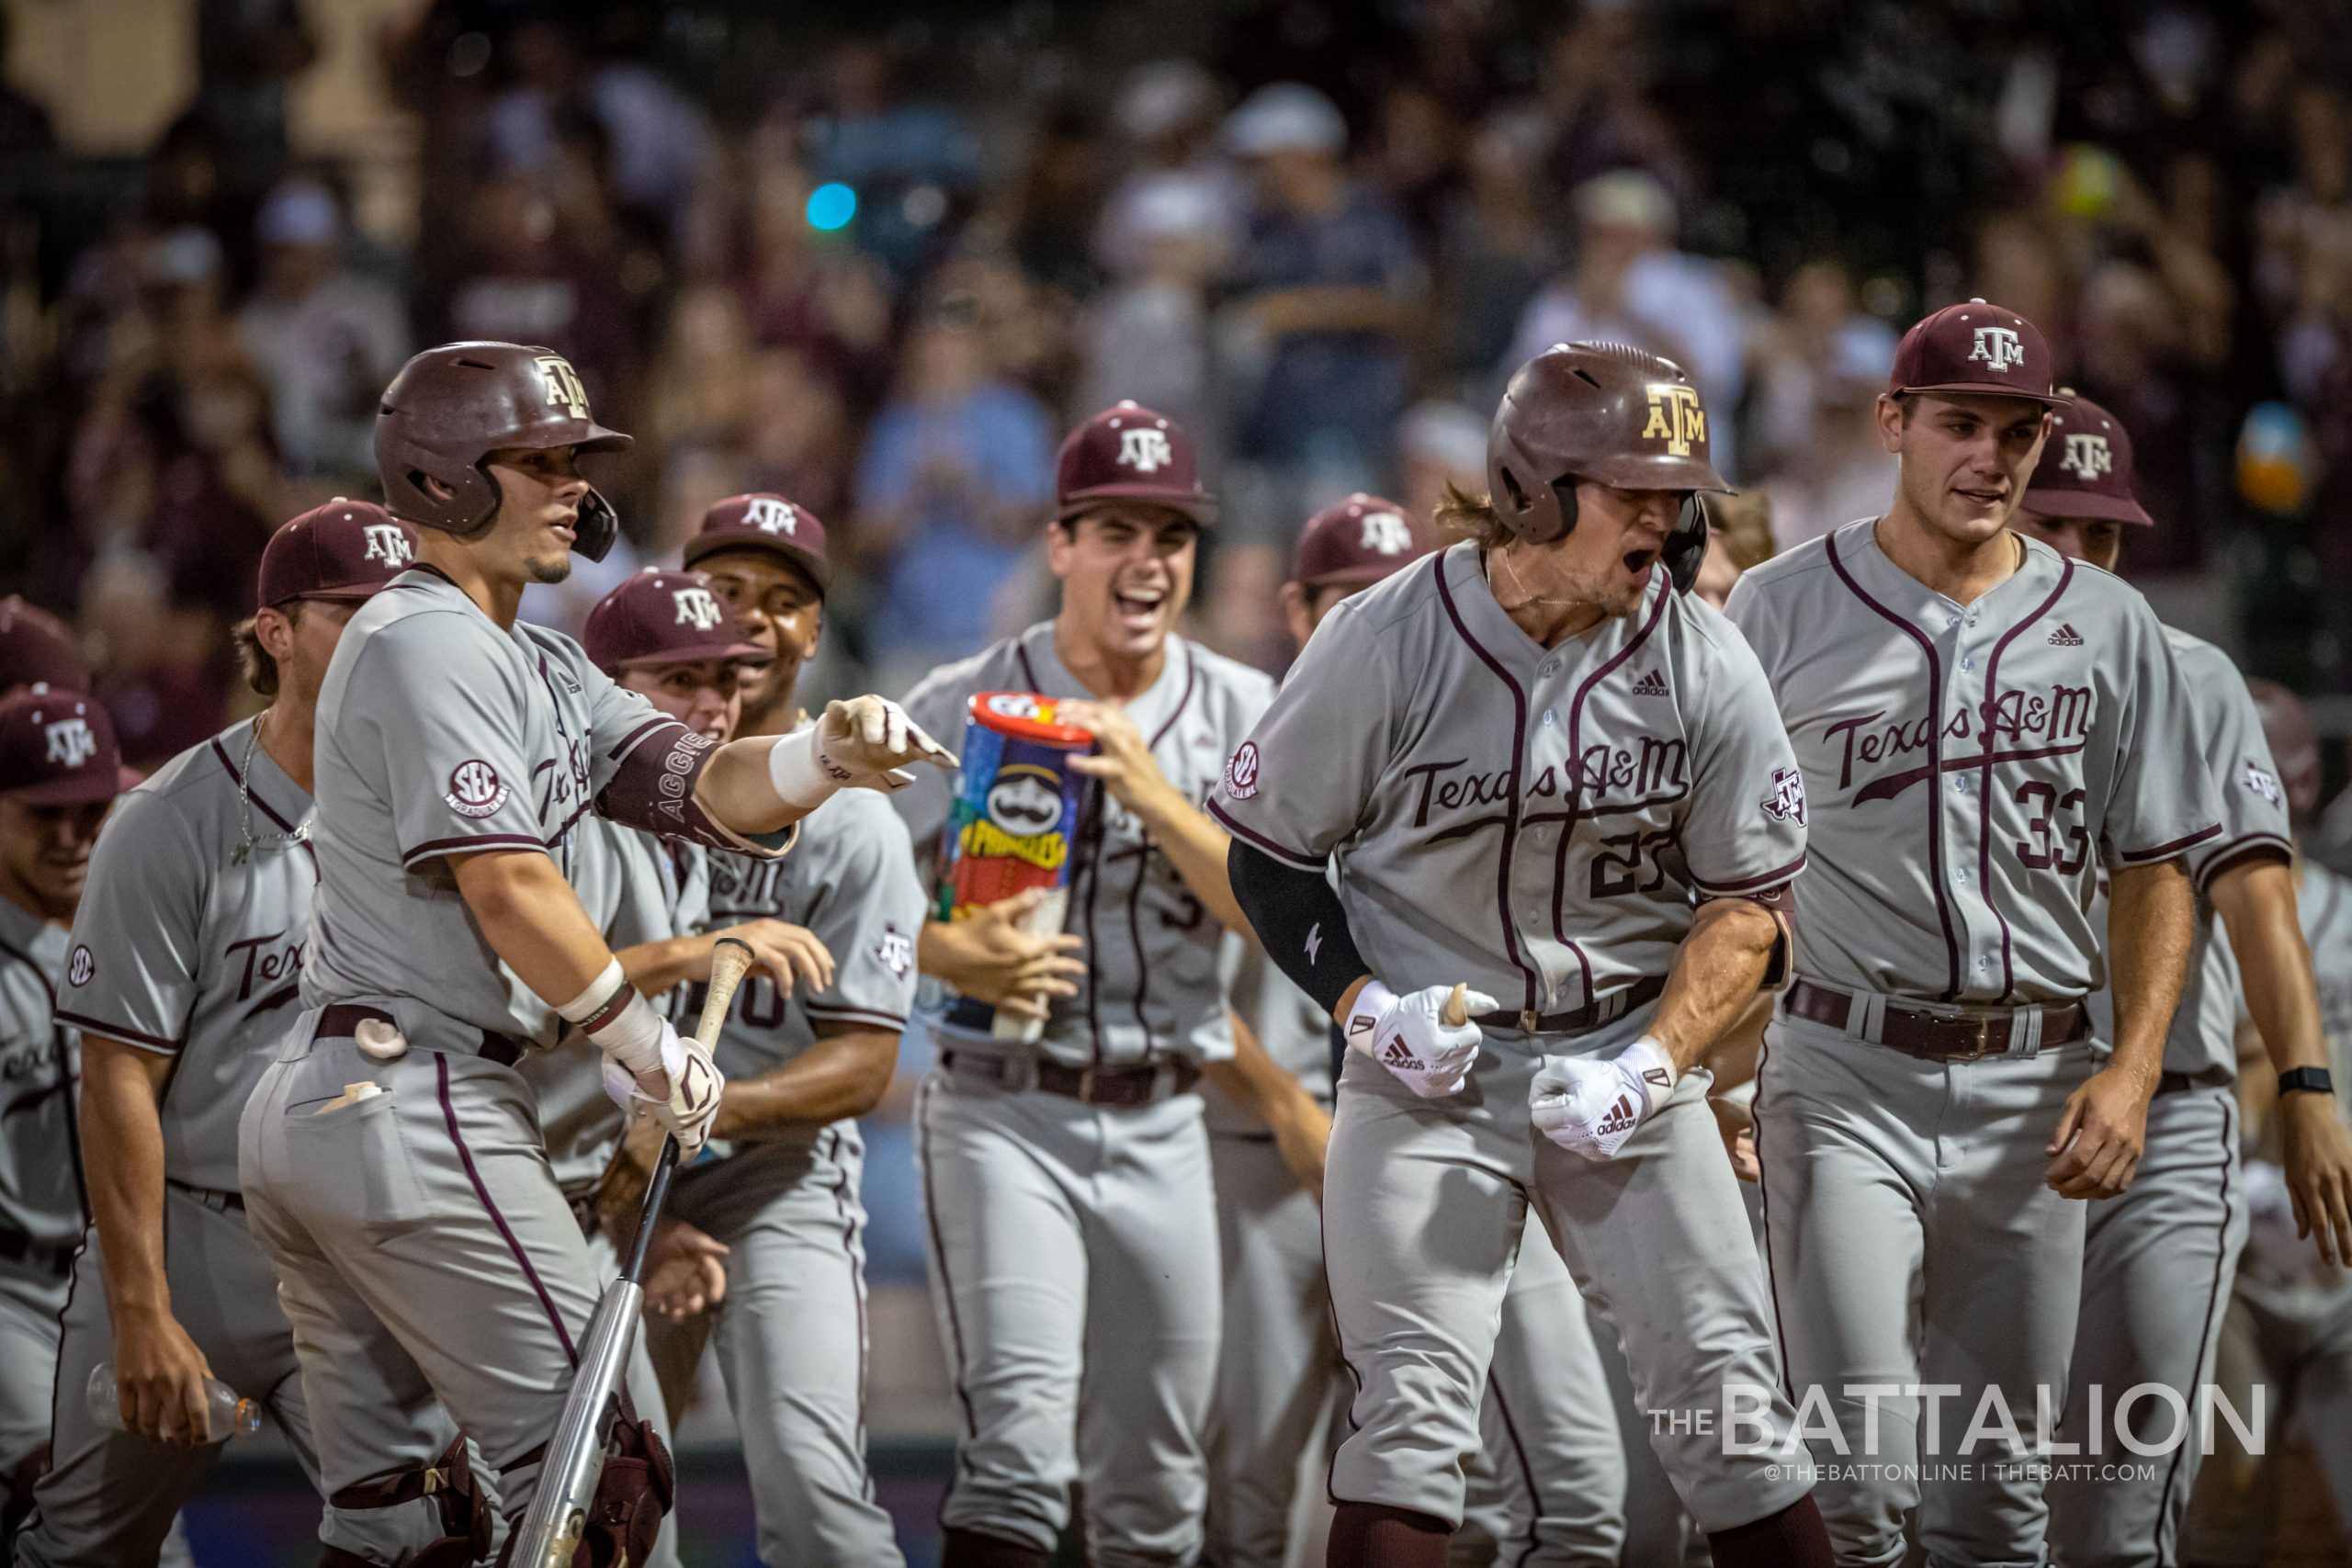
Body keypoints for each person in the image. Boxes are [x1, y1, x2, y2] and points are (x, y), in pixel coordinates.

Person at [233, 342, 952, 1551]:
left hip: (360, 1097)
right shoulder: (425, 638)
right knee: (603, 1466)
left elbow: (692, 782)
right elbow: (509, 884)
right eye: (543, 459)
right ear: (448, 476)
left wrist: (821, 756)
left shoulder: (541, 657)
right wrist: (649, 1040)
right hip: (411, 1089)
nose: (575, 484)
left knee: (406, 1526)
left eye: (577, 461)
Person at [1215, 343, 1832, 1568]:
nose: (1670, 517)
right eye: (1633, 491)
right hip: (1432, 1069)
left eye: (1679, 492)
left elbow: (1750, 907)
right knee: (1407, 1426)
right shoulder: (1387, 636)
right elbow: (1270, 856)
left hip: (1623, 1052)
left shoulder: (1701, 657)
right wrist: (1363, 1005)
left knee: (1736, 1420)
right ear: (1533, 490)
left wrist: (1653, 1067)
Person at [1724, 302, 2222, 1566]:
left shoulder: (2109, 623)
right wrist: (1715, 1062)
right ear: (1893, 423)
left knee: (1997, 1504)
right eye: (1960, 423)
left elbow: (2159, 860)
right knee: (1861, 1481)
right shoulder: (1778, 607)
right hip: (1843, 1068)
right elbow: (1710, 864)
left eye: (2017, 430)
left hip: (2036, 1080)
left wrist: (2135, 1060)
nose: (1990, 456)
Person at [20, 504, 448, 1567]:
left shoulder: (451, 817)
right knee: (83, 1552)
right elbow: (117, 1074)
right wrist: (141, 1308)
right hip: (200, 1241)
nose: (389, 642)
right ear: (274, 633)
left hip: (367, 1238)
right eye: (355, 616)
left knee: (422, 1543)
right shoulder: (171, 819)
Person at [894, 402, 1276, 1567]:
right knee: (1017, 1461)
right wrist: (946, 951)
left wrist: (1157, 796)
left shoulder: (1245, 710)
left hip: (1167, 1116)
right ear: (1059, 544)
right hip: (1003, 1106)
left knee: (1159, 1489)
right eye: (1116, 531)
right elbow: (842, 899)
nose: (1146, 561)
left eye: (1169, 536)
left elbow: (1274, 912)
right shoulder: (960, 701)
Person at [2003, 395, 2352, 1564]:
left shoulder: (2192, 676)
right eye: (2054, 524)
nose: (2079, 557)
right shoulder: (1925, 667)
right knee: (1965, 1487)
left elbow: (2260, 896)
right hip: (1979, 1112)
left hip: (2170, 1118)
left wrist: (2305, 1084)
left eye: (2101, 535)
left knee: (2122, 1501)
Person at [642, 496, 923, 1567]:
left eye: (785, 599)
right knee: (595, 1493)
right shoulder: (594, 784)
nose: (754, 619)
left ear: (814, 631)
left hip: (771, 1172)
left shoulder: (854, 818)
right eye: (726, 592)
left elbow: (862, 1063)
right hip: (596, 1170)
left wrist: (711, 1109)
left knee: (815, 1493)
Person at [2184, 679, 2352, 1566]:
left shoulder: (2344, 917)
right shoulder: (2167, 920)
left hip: (2347, 1265)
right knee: (2225, 1515)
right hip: (2234, 1266)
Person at [0, 689, 123, 1551]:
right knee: (67, 1504)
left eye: (91, 808)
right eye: (45, 813)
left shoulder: (133, 919)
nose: (73, 835)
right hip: (9, 1289)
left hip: (114, 1277)